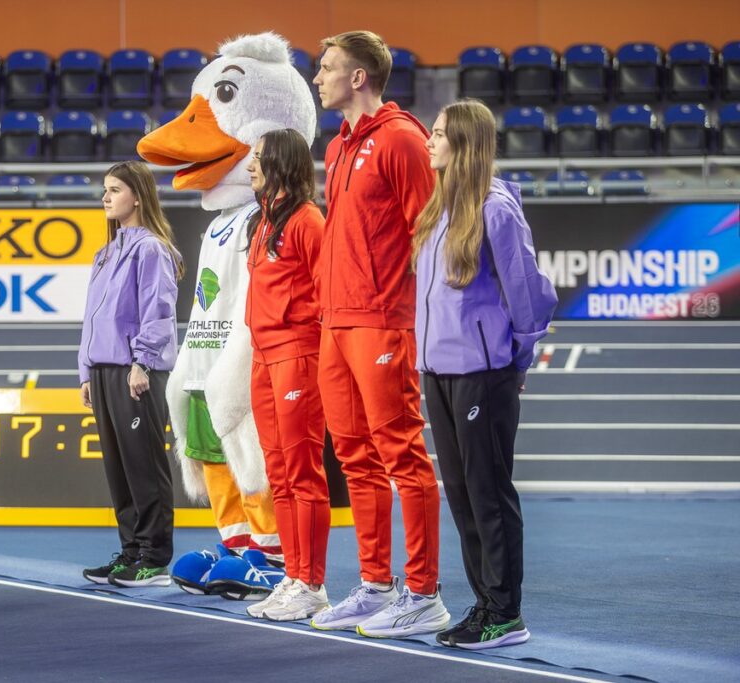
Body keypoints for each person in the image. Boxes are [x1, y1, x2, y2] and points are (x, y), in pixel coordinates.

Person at [309, 30, 450, 638]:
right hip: (335, 323)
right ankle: (374, 585)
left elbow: (433, 233)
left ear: (358, 77)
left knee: (403, 457)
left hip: (384, 320)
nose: (317, 78)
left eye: (326, 68)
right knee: (354, 458)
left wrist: (422, 318)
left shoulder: (402, 139)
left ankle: (423, 594)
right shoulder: (338, 146)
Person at [413, 99, 557, 649]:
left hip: (482, 372)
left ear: (466, 144)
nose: (430, 140)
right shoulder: (438, 207)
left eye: (441, 133)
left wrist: (513, 360)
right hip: (440, 373)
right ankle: (484, 605)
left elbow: (530, 296)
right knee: (462, 495)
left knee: (488, 493)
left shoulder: (495, 208)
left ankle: (505, 613)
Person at [79, 160, 184, 588]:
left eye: (115, 189)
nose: (106, 197)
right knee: (118, 469)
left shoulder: (151, 249)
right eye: (105, 189)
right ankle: (130, 554)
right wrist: (86, 371)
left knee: (144, 467)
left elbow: (158, 313)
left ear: (137, 196)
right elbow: (91, 319)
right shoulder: (105, 254)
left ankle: (154, 557)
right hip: (104, 373)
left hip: (135, 372)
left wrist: (141, 361)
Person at [241, 129, 331, 621]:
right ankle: (294, 577)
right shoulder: (264, 220)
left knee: (302, 472)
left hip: (297, 355)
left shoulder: (307, 221)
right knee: (279, 473)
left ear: (280, 163)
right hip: (263, 356)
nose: (250, 166)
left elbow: (325, 296)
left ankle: (312, 583)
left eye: (257, 159)